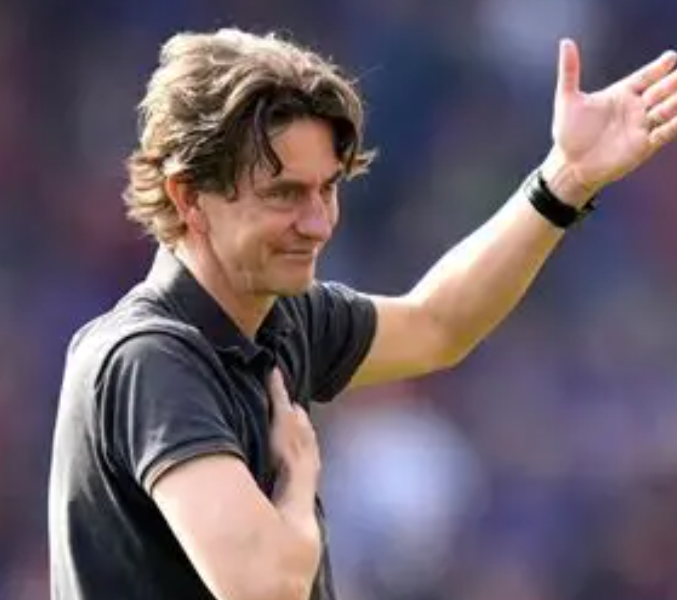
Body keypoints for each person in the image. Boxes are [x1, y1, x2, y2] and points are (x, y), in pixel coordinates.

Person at [48, 27, 677, 600]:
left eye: (327, 188)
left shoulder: (277, 320)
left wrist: (566, 178)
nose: (318, 223)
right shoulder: (150, 360)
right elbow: (265, 590)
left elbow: (437, 325)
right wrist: (298, 476)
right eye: (284, 194)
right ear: (189, 197)